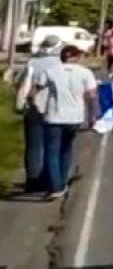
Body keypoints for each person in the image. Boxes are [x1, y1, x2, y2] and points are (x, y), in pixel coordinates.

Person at [39, 45, 99, 199]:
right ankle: (61, 182)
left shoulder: (51, 71)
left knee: (52, 151)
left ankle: (55, 186)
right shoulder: (85, 73)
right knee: (66, 149)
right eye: (79, 55)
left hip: (53, 116)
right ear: (74, 56)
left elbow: (37, 88)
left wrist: (34, 103)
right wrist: (92, 116)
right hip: (74, 117)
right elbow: (92, 96)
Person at [15, 35, 63, 194]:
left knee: (34, 147)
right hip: (56, 109)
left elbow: (20, 83)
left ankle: (33, 182)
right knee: (54, 146)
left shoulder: (33, 63)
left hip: (34, 107)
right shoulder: (62, 64)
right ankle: (52, 180)